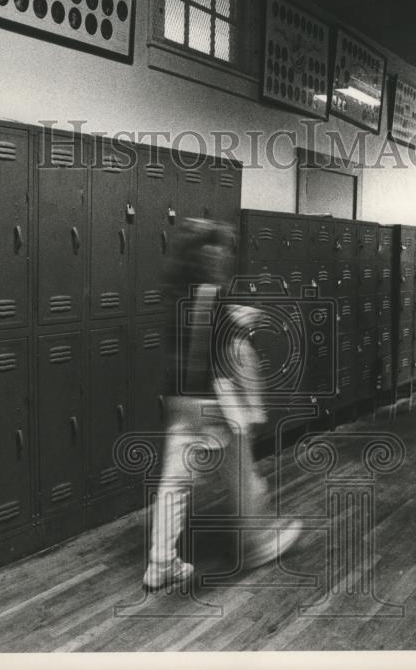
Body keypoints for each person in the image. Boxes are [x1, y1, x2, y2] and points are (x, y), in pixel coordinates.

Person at [143, 218, 301, 590]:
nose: (226, 258)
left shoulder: (177, 290)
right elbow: (213, 350)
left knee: (174, 485)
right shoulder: (209, 295)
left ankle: (160, 562)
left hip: (180, 399)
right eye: (222, 251)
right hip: (213, 403)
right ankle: (257, 544)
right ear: (209, 256)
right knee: (244, 479)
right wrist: (240, 324)